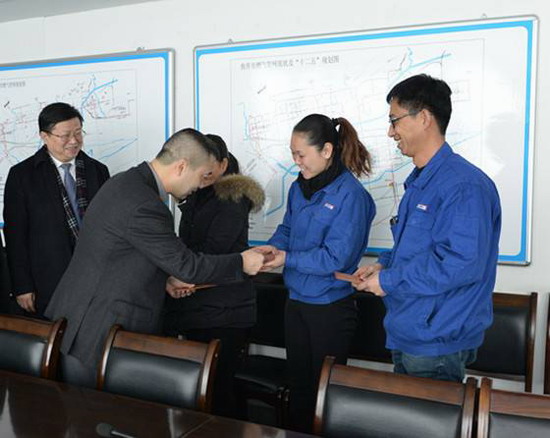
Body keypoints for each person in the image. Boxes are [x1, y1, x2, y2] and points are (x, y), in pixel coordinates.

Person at [44, 128, 265, 388]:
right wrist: (242, 262)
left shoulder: (125, 182)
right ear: (181, 167)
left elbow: (126, 255)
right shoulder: (145, 204)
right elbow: (188, 266)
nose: (199, 186)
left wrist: (166, 280)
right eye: (201, 176)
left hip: (82, 321)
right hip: (96, 331)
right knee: (95, 409)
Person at [353, 74, 502, 382]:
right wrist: (383, 265)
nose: (390, 132)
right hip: (408, 329)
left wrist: (389, 280)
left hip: (437, 340)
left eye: (394, 121)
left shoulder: (464, 186)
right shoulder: (421, 181)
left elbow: (460, 264)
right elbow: (415, 248)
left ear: (423, 118)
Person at [257, 114, 376, 432]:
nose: (296, 162)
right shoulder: (299, 187)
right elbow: (287, 229)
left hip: (329, 310)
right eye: (293, 154)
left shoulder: (351, 196)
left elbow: (336, 258)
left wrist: (287, 258)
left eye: (301, 154)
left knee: (324, 397)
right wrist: (271, 249)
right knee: (298, 391)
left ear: (326, 150)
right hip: (296, 302)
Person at [163, 134, 265, 418]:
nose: (204, 172)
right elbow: (187, 248)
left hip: (225, 311)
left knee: (219, 391)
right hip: (196, 304)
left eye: (209, 166)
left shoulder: (233, 197)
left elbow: (213, 251)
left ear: (223, 164)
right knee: (199, 391)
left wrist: (185, 275)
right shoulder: (195, 195)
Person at [3, 102, 110, 318]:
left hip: (94, 275)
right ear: (45, 136)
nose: (74, 141)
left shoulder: (98, 171)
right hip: (47, 278)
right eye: (65, 135)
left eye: (78, 132)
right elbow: (15, 236)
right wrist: (22, 286)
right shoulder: (22, 175)